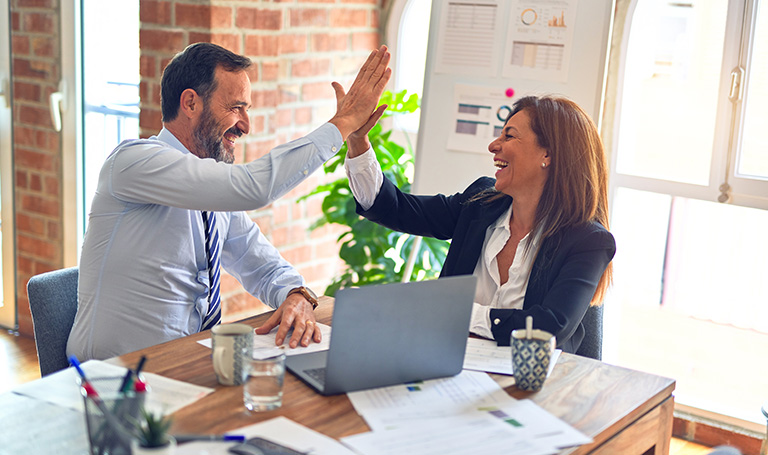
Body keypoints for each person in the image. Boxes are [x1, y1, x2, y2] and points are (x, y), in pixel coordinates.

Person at [67, 42, 391, 360]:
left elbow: (260, 263)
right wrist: (343, 123)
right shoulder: (134, 162)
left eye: (246, 109)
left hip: (187, 367)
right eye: (236, 107)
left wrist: (296, 294)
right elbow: (253, 187)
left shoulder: (212, 193)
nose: (246, 125)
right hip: (113, 381)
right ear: (191, 103)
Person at [344, 95, 615, 353]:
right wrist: (358, 141)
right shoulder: (480, 203)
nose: (493, 145)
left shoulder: (588, 241)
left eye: (509, 135)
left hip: (533, 386)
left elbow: (548, 329)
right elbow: (396, 209)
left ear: (548, 155)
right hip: (449, 365)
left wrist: (456, 312)